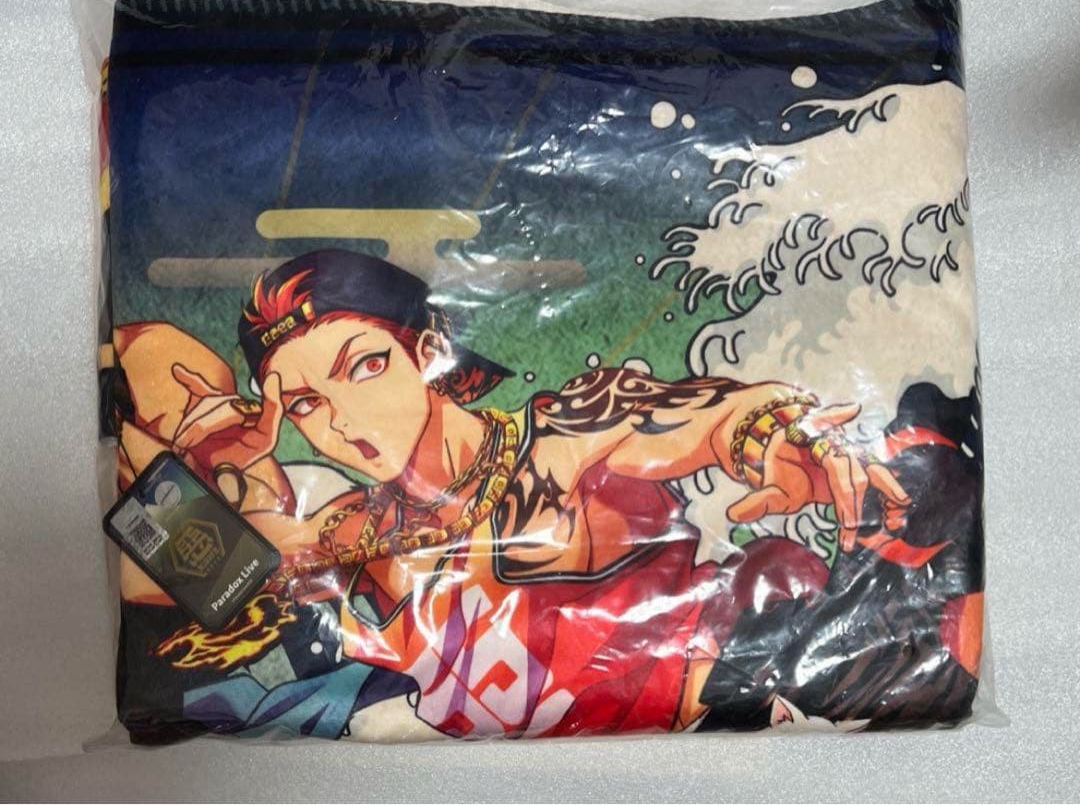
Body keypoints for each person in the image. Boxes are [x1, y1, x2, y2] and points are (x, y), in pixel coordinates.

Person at [116, 249, 910, 737]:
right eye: (304, 406)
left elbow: (692, 417)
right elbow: (162, 568)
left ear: (429, 349)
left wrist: (771, 431)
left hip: (737, 744)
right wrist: (194, 458)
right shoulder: (353, 530)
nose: (345, 422)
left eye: (363, 367)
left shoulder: (561, 438)